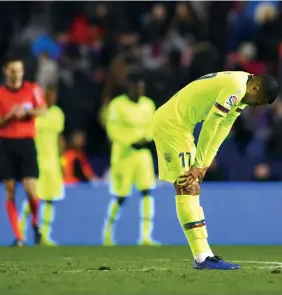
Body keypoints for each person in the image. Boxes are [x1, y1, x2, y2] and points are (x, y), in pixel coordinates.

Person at [152, 71, 279, 270]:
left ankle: (204, 255)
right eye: (257, 102)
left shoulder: (243, 88)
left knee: (191, 186)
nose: (253, 106)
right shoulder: (236, 86)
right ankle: (202, 257)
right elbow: (211, 124)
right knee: (188, 186)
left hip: (180, 127)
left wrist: (203, 164)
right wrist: (199, 162)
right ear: (255, 88)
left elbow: (224, 127)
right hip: (171, 126)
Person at [0, 56, 47, 246]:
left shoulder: (33, 90)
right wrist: (10, 115)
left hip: (27, 143)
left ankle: (36, 224)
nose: (16, 75)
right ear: (6, 71)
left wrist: (27, 112)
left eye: (19, 70)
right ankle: (19, 237)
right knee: (10, 191)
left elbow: (43, 110)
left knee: (31, 191)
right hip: (7, 145)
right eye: (13, 71)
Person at [103, 75, 158, 246]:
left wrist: (146, 137)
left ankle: (146, 236)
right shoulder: (117, 105)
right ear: (129, 88)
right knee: (121, 196)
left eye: (141, 89)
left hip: (142, 154)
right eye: (136, 88)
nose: (139, 92)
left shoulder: (148, 104)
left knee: (147, 192)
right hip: (123, 153)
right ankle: (107, 233)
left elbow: (152, 126)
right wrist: (131, 140)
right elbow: (112, 130)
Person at [19, 85, 65, 245]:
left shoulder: (58, 113)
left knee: (50, 198)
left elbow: (59, 138)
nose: (52, 97)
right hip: (35, 160)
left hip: (52, 162)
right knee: (32, 197)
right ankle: (20, 235)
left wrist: (62, 160)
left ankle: (45, 235)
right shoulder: (32, 113)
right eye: (49, 94)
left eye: (54, 95)